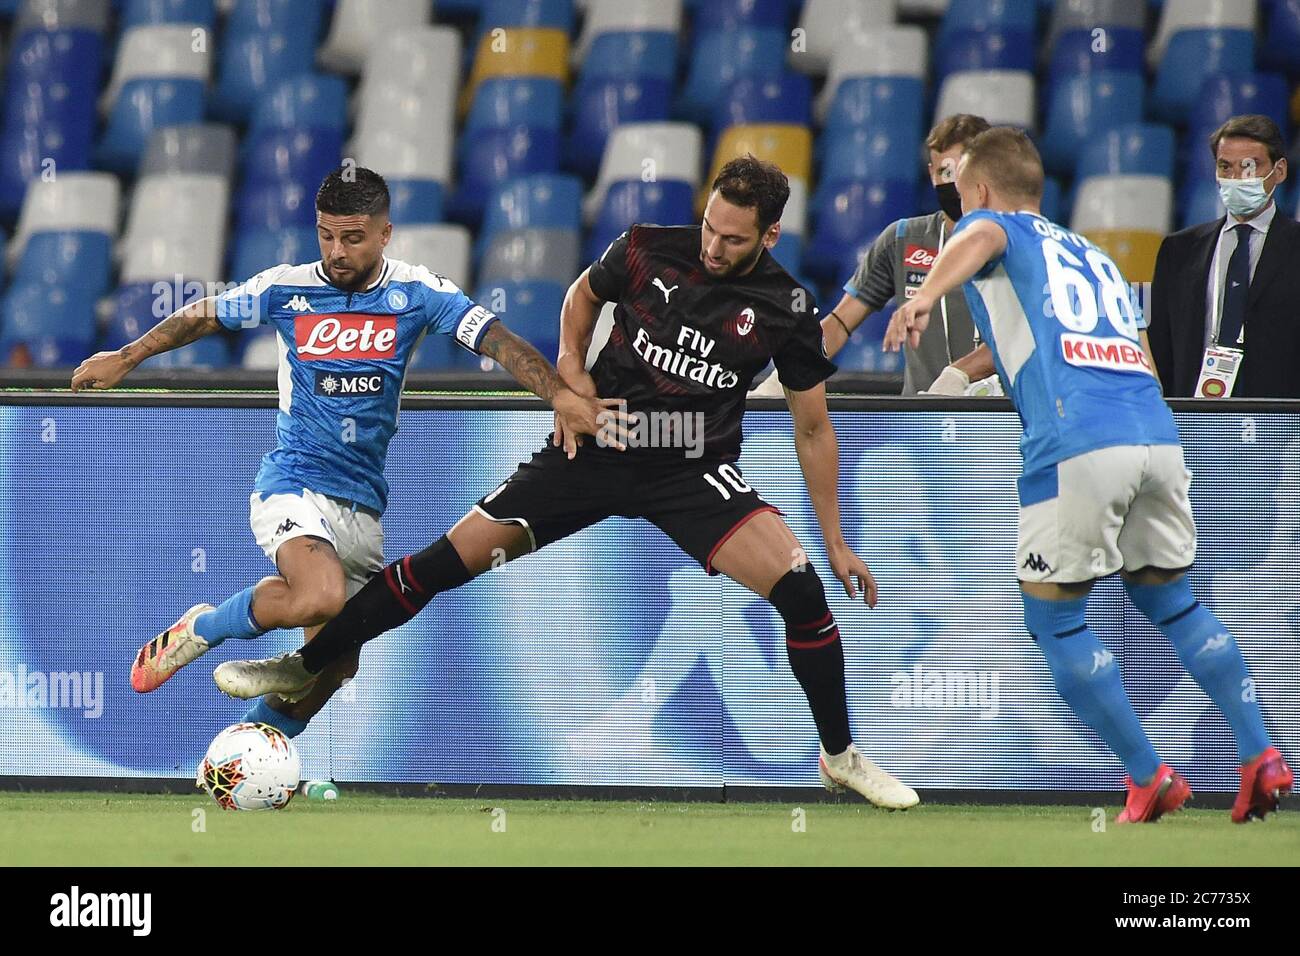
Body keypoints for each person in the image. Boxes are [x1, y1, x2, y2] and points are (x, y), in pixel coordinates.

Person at [212, 156, 920, 809]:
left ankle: (840, 756)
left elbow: (813, 428)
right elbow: (582, 295)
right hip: (591, 450)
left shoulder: (785, 308)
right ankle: (304, 665)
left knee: (801, 589)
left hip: (692, 471)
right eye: (710, 226)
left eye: (733, 239)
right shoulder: (647, 245)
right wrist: (572, 372)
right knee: (435, 568)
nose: (712, 246)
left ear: (769, 236)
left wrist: (834, 537)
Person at [70, 166, 616, 740]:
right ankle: (205, 626)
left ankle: (241, 753)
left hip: (362, 502)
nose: (337, 250)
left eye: (352, 237)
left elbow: (496, 340)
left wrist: (559, 395)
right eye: (327, 235)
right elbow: (205, 313)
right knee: (320, 595)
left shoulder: (419, 293)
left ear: (385, 233)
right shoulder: (287, 286)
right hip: (294, 481)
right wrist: (126, 356)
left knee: (336, 662)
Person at [885, 127, 1291, 823]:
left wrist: (925, 296)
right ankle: (1261, 754)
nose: (960, 211)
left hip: (1076, 444)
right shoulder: (1094, 255)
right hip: (1155, 435)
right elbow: (1128, 348)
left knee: (1053, 620)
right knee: (1174, 603)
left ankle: (1149, 776)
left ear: (980, 190)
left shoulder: (990, 224)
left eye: (961, 196)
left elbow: (979, 237)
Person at [750, 113, 996, 398]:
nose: (953, 183)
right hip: (923, 421)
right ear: (931, 174)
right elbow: (841, 323)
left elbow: (1024, 338)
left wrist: (958, 374)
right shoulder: (903, 240)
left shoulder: (1016, 242)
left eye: (962, 170)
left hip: (1002, 420)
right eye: (945, 172)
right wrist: (787, 372)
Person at [1148, 114, 1300, 398]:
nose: (1236, 178)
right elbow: (1161, 349)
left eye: (1249, 166)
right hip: (1198, 418)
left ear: (1279, 171)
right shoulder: (1178, 251)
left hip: (1282, 425)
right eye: (1225, 167)